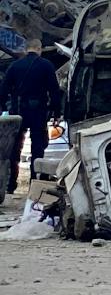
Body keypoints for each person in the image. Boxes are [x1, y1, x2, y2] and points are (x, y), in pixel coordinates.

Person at [1, 38, 62, 190]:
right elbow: (54, 91)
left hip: (18, 112)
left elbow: (3, 90)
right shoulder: (46, 66)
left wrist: (4, 108)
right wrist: (56, 112)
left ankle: (11, 184)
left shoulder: (15, 66)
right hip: (38, 113)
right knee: (38, 148)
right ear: (39, 49)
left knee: (15, 148)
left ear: (26, 49)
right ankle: (34, 181)